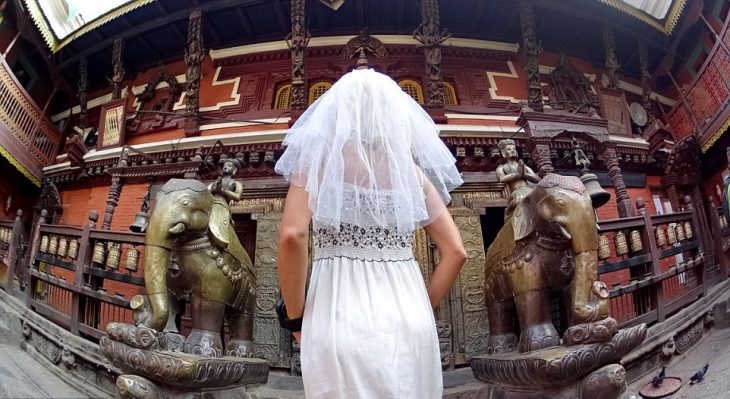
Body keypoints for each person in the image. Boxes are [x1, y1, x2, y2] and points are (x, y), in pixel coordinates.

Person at [274, 69, 467, 398]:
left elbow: (292, 235)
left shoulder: (318, 166)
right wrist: (421, 305)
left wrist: (295, 322)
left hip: (338, 317)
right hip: (411, 321)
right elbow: (456, 252)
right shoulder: (412, 175)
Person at [495, 139, 540, 220]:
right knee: (520, 199)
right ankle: (508, 212)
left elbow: (536, 179)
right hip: (517, 190)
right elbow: (501, 178)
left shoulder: (523, 166)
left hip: (528, 189)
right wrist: (517, 175)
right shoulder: (502, 167)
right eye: (508, 149)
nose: (512, 151)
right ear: (503, 153)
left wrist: (524, 174)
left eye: (513, 149)